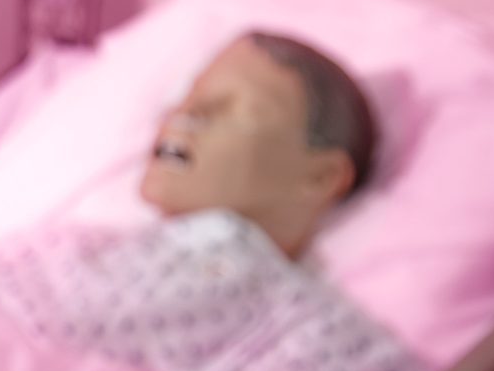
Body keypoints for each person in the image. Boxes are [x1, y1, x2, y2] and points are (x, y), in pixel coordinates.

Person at [0, 31, 419, 371]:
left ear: (319, 176)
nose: (183, 113)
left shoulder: (321, 339)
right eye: (187, 98)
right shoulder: (73, 248)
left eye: (229, 108)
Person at [138, 30, 379, 259]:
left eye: (239, 108)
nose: (187, 111)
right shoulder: (110, 249)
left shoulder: (283, 300)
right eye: (190, 94)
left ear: (320, 177)